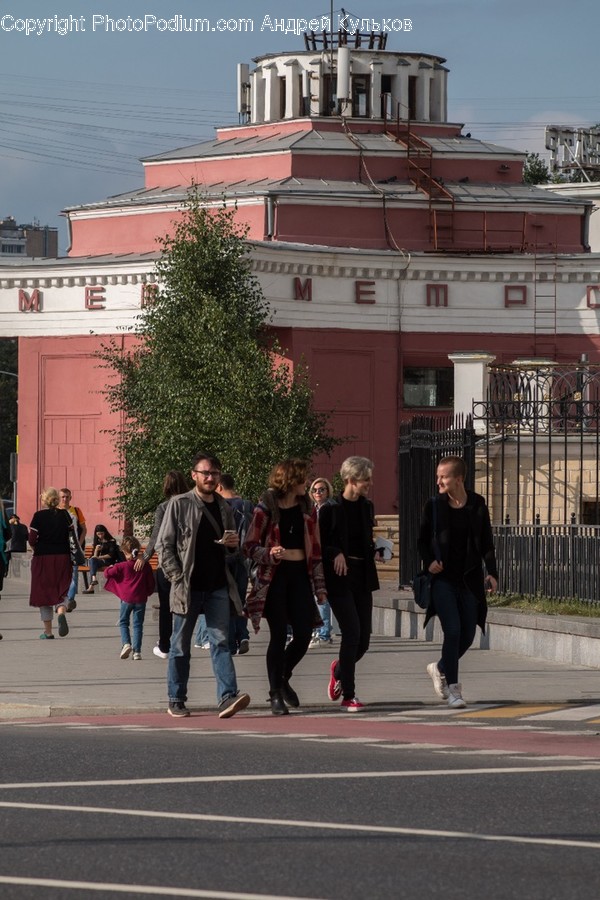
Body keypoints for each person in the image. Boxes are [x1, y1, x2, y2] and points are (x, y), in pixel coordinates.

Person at [156, 451, 251, 719]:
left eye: (214, 473)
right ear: (194, 475)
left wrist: (233, 547)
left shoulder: (224, 507)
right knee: (180, 645)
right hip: (187, 586)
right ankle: (176, 698)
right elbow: (165, 545)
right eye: (205, 473)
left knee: (221, 642)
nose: (210, 477)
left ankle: (227, 697)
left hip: (217, 585)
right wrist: (176, 576)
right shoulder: (179, 504)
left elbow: (233, 551)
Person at [243, 458, 327, 715]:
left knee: (303, 635)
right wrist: (270, 553)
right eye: (302, 479)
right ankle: (275, 693)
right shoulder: (266, 508)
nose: (307, 483)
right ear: (290, 481)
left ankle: (282, 677)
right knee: (278, 636)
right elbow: (249, 546)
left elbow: (316, 550)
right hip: (274, 579)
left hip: (300, 577)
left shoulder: (307, 508)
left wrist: (320, 586)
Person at [417, 455, 498, 709]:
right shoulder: (434, 505)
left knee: (468, 633)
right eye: (438, 476)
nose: (438, 481)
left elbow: (486, 542)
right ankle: (453, 689)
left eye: (444, 476)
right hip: (442, 579)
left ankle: (440, 667)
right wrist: (430, 561)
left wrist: (492, 572)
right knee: (452, 629)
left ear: (459, 479)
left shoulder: (477, 504)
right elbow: (421, 541)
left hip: (469, 578)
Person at [319, 457, 380, 711]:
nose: (370, 483)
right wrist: (336, 552)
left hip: (363, 575)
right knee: (352, 633)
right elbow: (320, 543)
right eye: (366, 479)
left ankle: (339, 669)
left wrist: (376, 549)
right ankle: (349, 695)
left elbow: (365, 539)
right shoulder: (331, 509)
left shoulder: (367, 507)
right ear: (351, 480)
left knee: (363, 640)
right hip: (340, 578)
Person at [133, 470, 189, 660]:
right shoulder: (192, 504)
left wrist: (145, 557)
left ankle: (165, 645)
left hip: (167, 564)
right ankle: (183, 642)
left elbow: (156, 537)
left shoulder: (164, 507)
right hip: (188, 562)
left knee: (165, 606)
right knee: (186, 604)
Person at [28, 487, 73, 639]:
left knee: (44, 593)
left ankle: (48, 632)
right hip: (63, 557)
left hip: (42, 558)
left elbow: (32, 539)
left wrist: (36, 548)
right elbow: (72, 536)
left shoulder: (38, 516)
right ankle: (61, 612)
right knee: (61, 589)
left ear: (44, 500)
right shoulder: (65, 515)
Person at [216, 473, 254, 655]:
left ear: (220, 487)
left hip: (223, 558)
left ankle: (230, 642)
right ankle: (244, 635)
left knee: (226, 600)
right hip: (244, 558)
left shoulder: (219, 506)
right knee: (240, 597)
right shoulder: (247, 505)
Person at [105, 536, 156, 661]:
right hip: (141, 600)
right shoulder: (145, 565)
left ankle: (126, 644)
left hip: (126, 599)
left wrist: (111, 566)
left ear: (125, 552)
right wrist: (147, 593)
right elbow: (151, 583)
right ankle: (137, 652)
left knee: (123, 622)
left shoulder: (122, 566)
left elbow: (107, 574)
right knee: (138, 625)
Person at [308, 477, 335, 647]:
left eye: (322, 489)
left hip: (326, 556)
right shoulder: (313, 510)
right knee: (317, 593)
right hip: (314, 556)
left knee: (322, 593)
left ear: (328, 491)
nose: (318, 492)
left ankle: (324, 633)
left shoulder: (331, 509)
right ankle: (320, 630)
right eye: (315, 490)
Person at [58, 488, 87, 611]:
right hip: (59, 548)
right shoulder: (55, 511)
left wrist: (79, 544)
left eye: (67, 497)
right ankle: (61, 599)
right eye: (63, 497)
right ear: (59, 498)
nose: (65, 499)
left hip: (73, 547)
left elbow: (84, 529)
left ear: (70, 498)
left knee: (73, 575)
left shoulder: (76, 511)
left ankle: (69, 600)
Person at [83, 525, 120, 593]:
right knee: (92, 561)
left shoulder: (111, 541)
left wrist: (98, 557)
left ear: (105, 532)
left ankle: (91, 587)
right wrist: (96, 550)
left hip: (109, 562)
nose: (100, 535)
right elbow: (93, 556)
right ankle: (94, 579)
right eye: (98, 534)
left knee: (92, 563)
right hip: (99, 562)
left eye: (102, 533)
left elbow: (111, 555)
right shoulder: (97, 541)